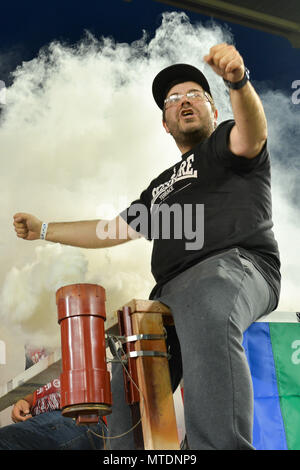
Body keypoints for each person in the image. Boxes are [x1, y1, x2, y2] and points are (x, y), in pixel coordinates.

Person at [13, 43, 280, 450]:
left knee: (208, 301)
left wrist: (237, 82)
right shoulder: (158, 188)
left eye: (195, 95)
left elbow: (254, 133)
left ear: (215, 110)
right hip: (169, 293)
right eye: (173, 100)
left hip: (236, 265)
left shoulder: (228, 144)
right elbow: (111, 230)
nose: (184, 102)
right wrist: (44, 228)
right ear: (165, 124)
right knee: (130, 361)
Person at [0, 378, 107, 450]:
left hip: (79, 416)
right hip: (47, 420)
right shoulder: (30, 347)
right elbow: (34, 383)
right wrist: (24, 400)